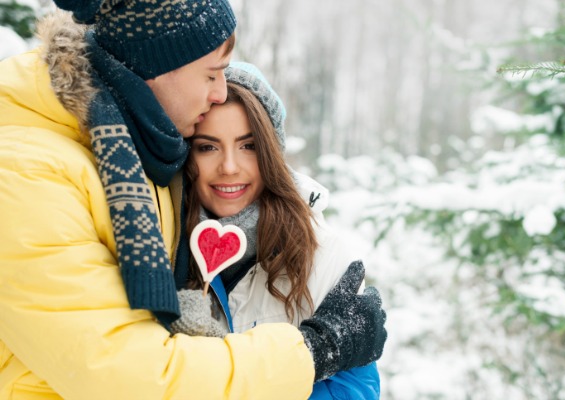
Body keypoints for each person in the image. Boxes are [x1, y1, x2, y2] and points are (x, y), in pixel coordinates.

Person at [0, 0, 387, 398]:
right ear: (157, 65)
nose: (220, 91)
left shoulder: (128, 154)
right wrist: (314, 351)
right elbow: (130, 376)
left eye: (250, 146)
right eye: (211, 73)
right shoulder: (26, 174)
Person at [173, 61, 381, 399]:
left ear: (271, 152)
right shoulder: (162, 245)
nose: (229, 167)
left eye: (248, 146)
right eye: (208, 147)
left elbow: (354, 391)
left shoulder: (324, 254)